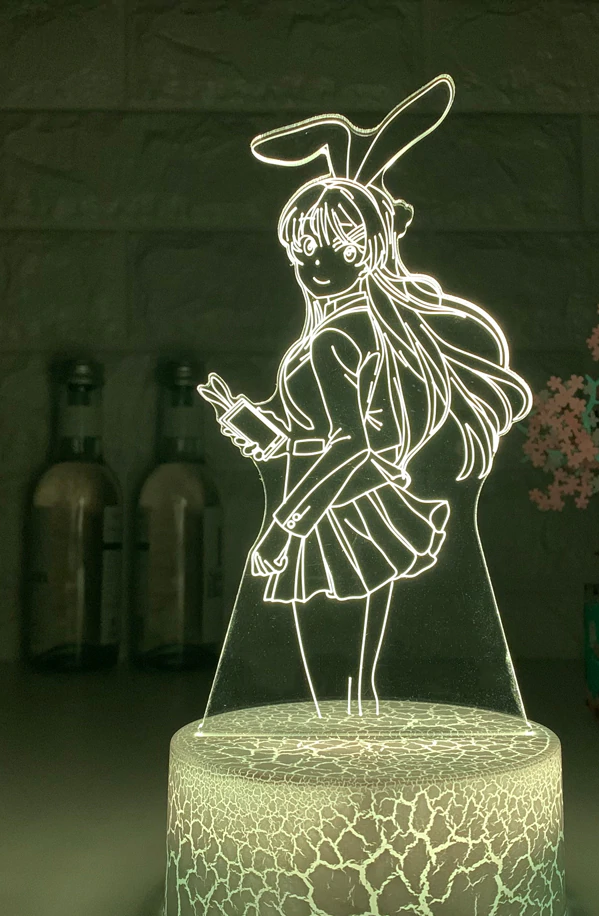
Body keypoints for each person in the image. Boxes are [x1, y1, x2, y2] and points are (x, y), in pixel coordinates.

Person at [199, 75, 532, 717]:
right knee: (352, 687)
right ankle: (358, 769)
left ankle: (348, 776)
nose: (317, 266)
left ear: (370, 251)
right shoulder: (364, 328)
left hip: (329, 515)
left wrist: (284, 528)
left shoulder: (335, 338)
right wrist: (252, 423)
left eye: (339, 251)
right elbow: (330, 436)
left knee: (333, 693)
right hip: (353, 508)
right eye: (304, 252)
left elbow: (354, 442)